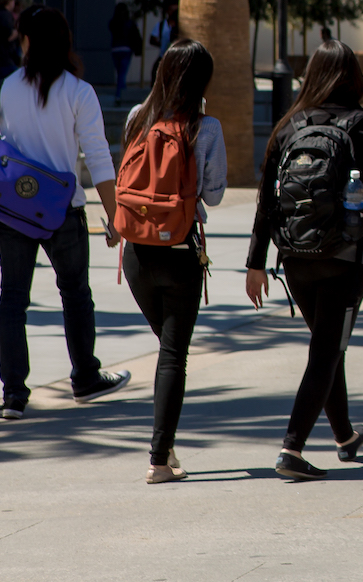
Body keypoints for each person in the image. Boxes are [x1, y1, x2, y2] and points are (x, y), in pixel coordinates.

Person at [245, 41, 363, 480]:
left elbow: (266, 200)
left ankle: (343, 436)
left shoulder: (289, 127)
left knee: (327, 343)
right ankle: (292, 449)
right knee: (326, 349)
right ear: (354, 77)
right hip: (348, 256)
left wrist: (256, 263)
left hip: (295, 255)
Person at [0, 5, 130, 419]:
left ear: (26, 41)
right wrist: (115, 218)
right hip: (64, 212)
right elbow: (98, 158)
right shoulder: (78, 92)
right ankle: (85, 378)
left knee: (12, 300)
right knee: (75, 295)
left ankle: (13, 395)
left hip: (12, 211)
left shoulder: (1, 90)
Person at [117, 39, 226, 483]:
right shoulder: (206, 127)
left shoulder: (136, 119)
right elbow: (215, 195)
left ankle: (167, 447)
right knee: (172, 357)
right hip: (179, 253)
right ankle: (159, 459)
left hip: (137, 257)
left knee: (167, 349)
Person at [107, 2, 139, 103]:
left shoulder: (113, 23)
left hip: (116, 49)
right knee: (122, 74)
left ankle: (121, 94)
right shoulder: (129, 23)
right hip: (126, 49)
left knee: (120, 74)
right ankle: (119, 95)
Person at [0, 0, 21, 78]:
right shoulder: (5, 15)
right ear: (8, 0)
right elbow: (8, 35)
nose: (14, 2)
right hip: (6, 60)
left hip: (3, 59)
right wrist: (20, 30)